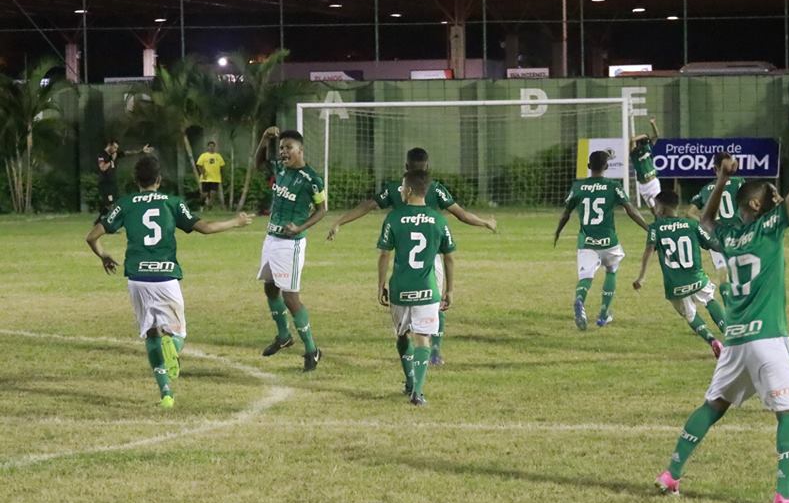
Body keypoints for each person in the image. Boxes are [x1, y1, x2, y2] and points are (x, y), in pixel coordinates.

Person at [654, 114, 789, 503]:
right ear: (757, 204)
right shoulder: (770, 225)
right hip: (768, 337)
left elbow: (706, 219)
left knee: (713, 406)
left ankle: (671, 474)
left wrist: (720, 179)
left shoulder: (728, 235)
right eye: (772, 193)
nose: (778, 196)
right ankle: (785, 495)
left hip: (735, 339)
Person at [84, 155, 251, 408]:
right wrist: (236, 222)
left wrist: (104, 255)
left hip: (137, 279)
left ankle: (166, 394)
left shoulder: (125, 203)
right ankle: (171, 345)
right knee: (177, 334)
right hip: (165, 277)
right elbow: (204, 227)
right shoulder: (172, 203)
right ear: (159, 180)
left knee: (151, 334)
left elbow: (92, 236)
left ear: (135, 180)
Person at [327, 147, 496, 366]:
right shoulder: (434, 188)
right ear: (428, 168)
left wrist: (340, 221)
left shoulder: (397, 189)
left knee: (404, 312)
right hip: (430, 259)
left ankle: (408, 352)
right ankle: (433, 351)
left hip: (402, 261)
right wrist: (485, 222)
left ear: (406, 167)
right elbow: (461, 214)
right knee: (435, 302)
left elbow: (368, 205)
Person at [377, 169, 456, 405]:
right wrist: (449, 290)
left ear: (409, 190)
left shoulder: (393, 218)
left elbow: (384, 255)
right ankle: (418, 392)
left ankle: (410, 380)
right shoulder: (439, 220)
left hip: (400, 288)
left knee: (402, 335)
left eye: (402, 187)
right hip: (427, 289)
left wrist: (380, 285)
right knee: (423, 339)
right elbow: (449, 257)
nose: (400, 191)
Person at [255, 126, 327, 371]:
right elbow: (259, 163)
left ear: (301, 150)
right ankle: (284, 336)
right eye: (282, 147)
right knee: (270, 288)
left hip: (291, 245)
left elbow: (322, 210)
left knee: (290, 297)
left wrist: (300, 227)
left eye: (289, 148)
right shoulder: (280, 168)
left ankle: (312, 349)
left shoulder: (312, 180)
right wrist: (265, 139)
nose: (284, 152)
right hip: (272, 238)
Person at [554, 150, 648, 330]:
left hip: (587, 242)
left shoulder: (578, 186)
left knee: (586, 277)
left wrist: (558, 232)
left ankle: (580, 300)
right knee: (611, 271)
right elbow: (631, 211)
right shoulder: (613, 186)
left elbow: (565, 214)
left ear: (589, 167)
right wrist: (648, 228)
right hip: (608, 242)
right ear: (606, 167)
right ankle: (604, 314)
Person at [633, 190, 725, 359]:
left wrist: (641, 277)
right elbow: (713, 244)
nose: (655, 209)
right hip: (696, 279)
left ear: (662, 208)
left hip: (675, 285)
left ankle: (712, 340)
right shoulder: (691, 224)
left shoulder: (656, 228)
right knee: (710, 299)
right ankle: (733, 337)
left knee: (690, 315)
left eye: (656, 205)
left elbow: (648, 251)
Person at [689, 153, 745, 303]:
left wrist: (704, 221)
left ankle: (729, 308)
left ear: (715, 168)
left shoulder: (706, 189)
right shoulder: (739, 182)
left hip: (716, 235)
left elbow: (689, 213)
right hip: (738, 232)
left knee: (722, 273)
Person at [95, 139, 151, 221]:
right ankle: (108, 223)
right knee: (110, 204)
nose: (115, 150)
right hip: (105, 183)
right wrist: (111, 160)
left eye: (116, 148)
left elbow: (128, 153)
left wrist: (141, 151)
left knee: (113, 203)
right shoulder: (102, 155)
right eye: (114, 147)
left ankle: (99, 221)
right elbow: (102, 168)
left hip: (112, 182)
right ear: (109, 145)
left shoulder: (115, 154)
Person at [630, 117, 661, 211]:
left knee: (659, 207)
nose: (646, 143)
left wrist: (653, 124)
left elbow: (656, 135)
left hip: (653, 182)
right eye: (644, 142)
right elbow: (632, 140)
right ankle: (657, 223)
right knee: (653, 211)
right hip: (643, 185)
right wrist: (644, 135)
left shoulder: (648, 146)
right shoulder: (634, 153)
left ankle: (663, 223)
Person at [196, 140, 226, 210]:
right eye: (210, 146)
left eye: (213, 146)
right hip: (206, 178)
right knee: (205, 194)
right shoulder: (203, 156)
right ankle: (202, 205)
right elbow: (199, 165)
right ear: (208, 147)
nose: (211, 148)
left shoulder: (218, 156)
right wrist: (203, 173)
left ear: (215, 147)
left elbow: (222, 166)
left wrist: (222, 175)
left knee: (213, 193)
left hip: (215, 178)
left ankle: (210, 205)